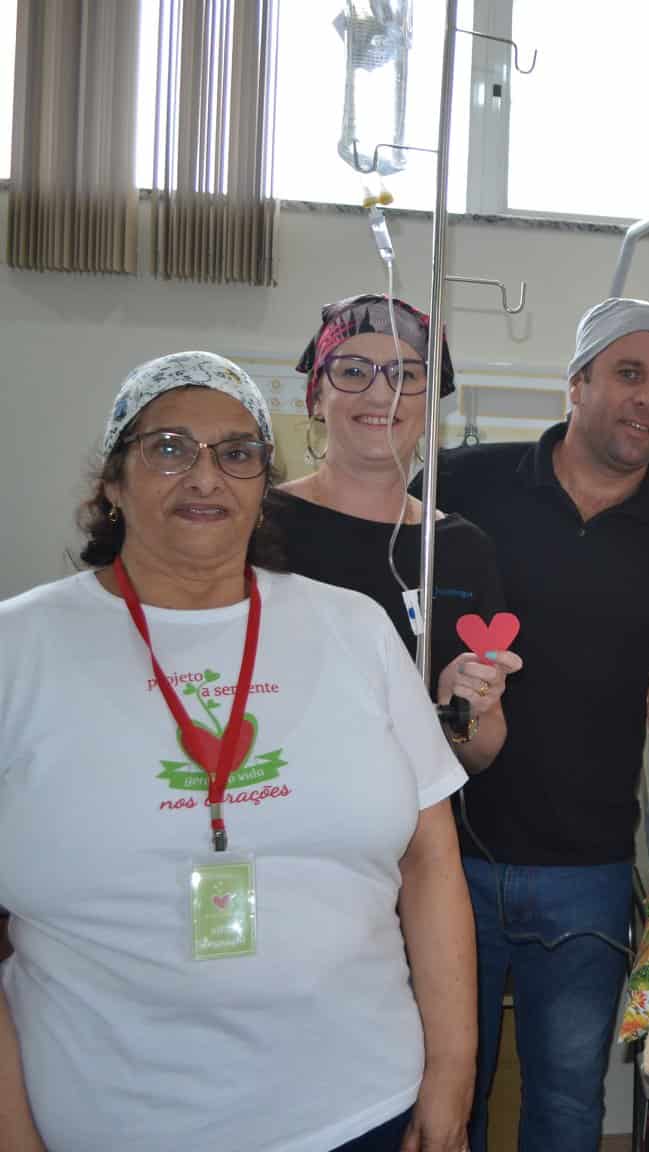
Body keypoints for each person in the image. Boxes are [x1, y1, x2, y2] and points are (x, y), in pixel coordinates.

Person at [0, 352, 475, 1152]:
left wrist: (453, 1074)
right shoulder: (19, 648)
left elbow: (432, 861)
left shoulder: (354, 629)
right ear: (112, 482)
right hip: (110, 1121)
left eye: (237, 453)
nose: (205, 476)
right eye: (168, 447)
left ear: (262, 490)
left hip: (363, 1107)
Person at [420, 298, 649, 1151]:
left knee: (567, 1109)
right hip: (442, 854)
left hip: (587, 870)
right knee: (445, 1096)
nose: (648, 398)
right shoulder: (458, 486)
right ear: (576, 383)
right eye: (629, 374)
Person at [271, 294, 522, 772]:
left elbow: (479, 754)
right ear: (317, 397)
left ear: (430, 407)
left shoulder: (461, 548)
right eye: (352, 372)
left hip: (417, 815)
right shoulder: (259, 526)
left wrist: (461, 705)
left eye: (405, 375)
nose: (379, 394)